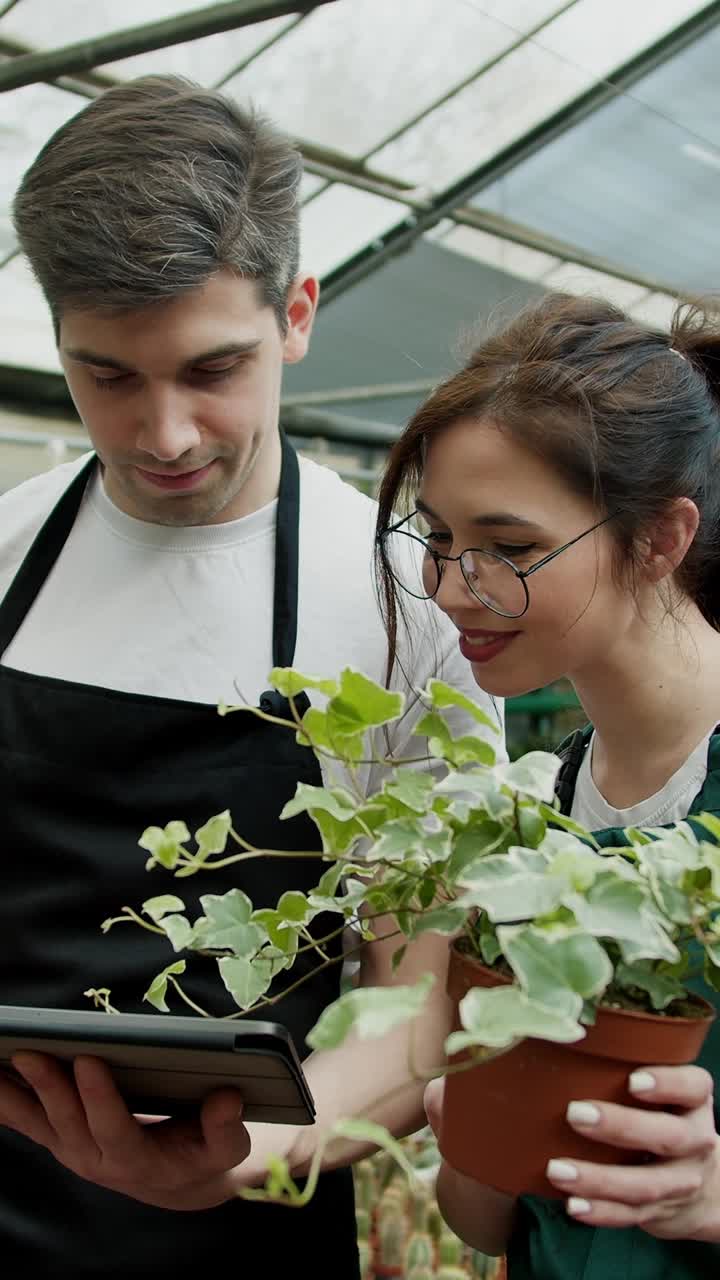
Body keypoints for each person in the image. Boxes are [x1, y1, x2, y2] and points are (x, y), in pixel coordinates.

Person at [0, 76, 503, 1275]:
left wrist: (241, 1157)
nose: (164, 433)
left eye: (211, 368)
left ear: (298, 313)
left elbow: (417, 999)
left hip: (242, 1217)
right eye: (107, 376)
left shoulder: (409, 610)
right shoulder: (8, 549)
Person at [374, 291, 720, 1278]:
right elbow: (488, 1220)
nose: (450, 589)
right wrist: (478, 1134)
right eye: (438, 538)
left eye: (510, 547)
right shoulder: (527, 815)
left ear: (660, 538)